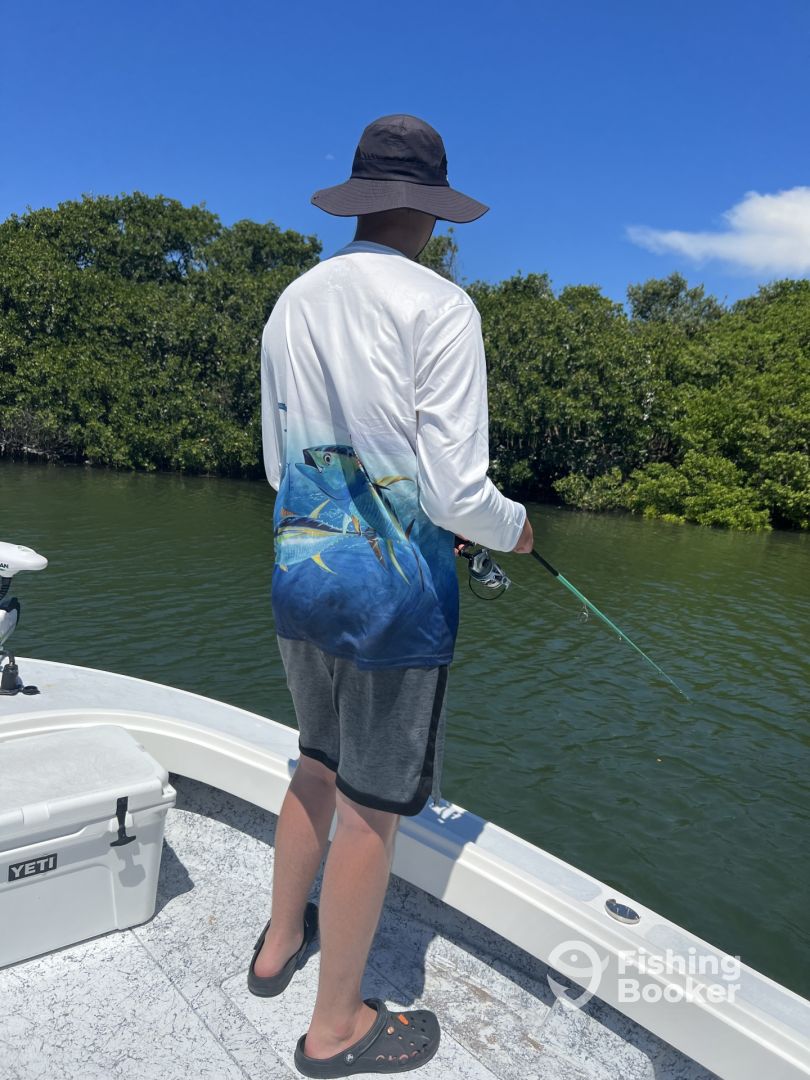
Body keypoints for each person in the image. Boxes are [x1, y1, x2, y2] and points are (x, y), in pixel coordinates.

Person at [252, 114, 534, 1077]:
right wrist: (516, 528)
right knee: (372, 805)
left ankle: (277, 945)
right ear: (434, 210)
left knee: (314, 760)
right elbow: (456, 494)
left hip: (302, 567)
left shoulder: (292, 300)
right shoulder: (443, 307)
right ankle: (336, 1029)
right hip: (395, 597)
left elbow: (278, 464)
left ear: (362, 200)